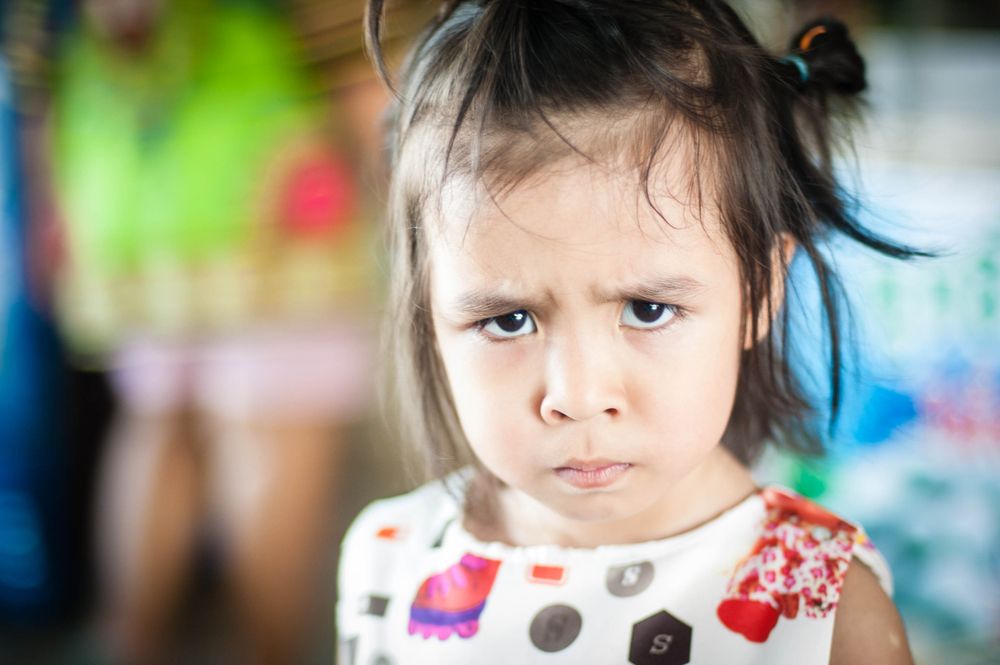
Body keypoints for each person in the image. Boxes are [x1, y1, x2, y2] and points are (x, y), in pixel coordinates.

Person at [338, 2, 918, 663]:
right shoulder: (389, 559)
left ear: (759, 290)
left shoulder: (823, 606)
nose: (578, 396)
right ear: (428, 313)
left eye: (646, 309)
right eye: (507, 320)